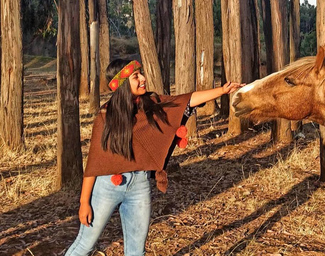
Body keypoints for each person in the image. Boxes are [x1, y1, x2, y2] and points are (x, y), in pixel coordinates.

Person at [66, 59, 243, 256]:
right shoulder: (106, 116)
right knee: (85, 245)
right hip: (108, 186)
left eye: (141, 73)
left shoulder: (152, 103)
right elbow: (94, 163)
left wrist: (222, 91)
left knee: (136, 251)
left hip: (139, 186)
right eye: (136, 76)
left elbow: (185, 100)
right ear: (123, 83)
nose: (143, 78)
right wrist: (84, 203)